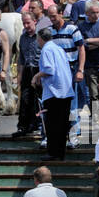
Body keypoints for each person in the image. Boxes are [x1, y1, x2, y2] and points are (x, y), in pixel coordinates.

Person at [35, 27, 74, 160]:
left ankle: (53, 152)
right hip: (66, 91)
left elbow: (49, 69)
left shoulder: (46, 49)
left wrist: (36, 77)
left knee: (52, 124)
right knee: (62, 124)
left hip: (54, 92)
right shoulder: (59, 48)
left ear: (40, 38)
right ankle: (60, 153)